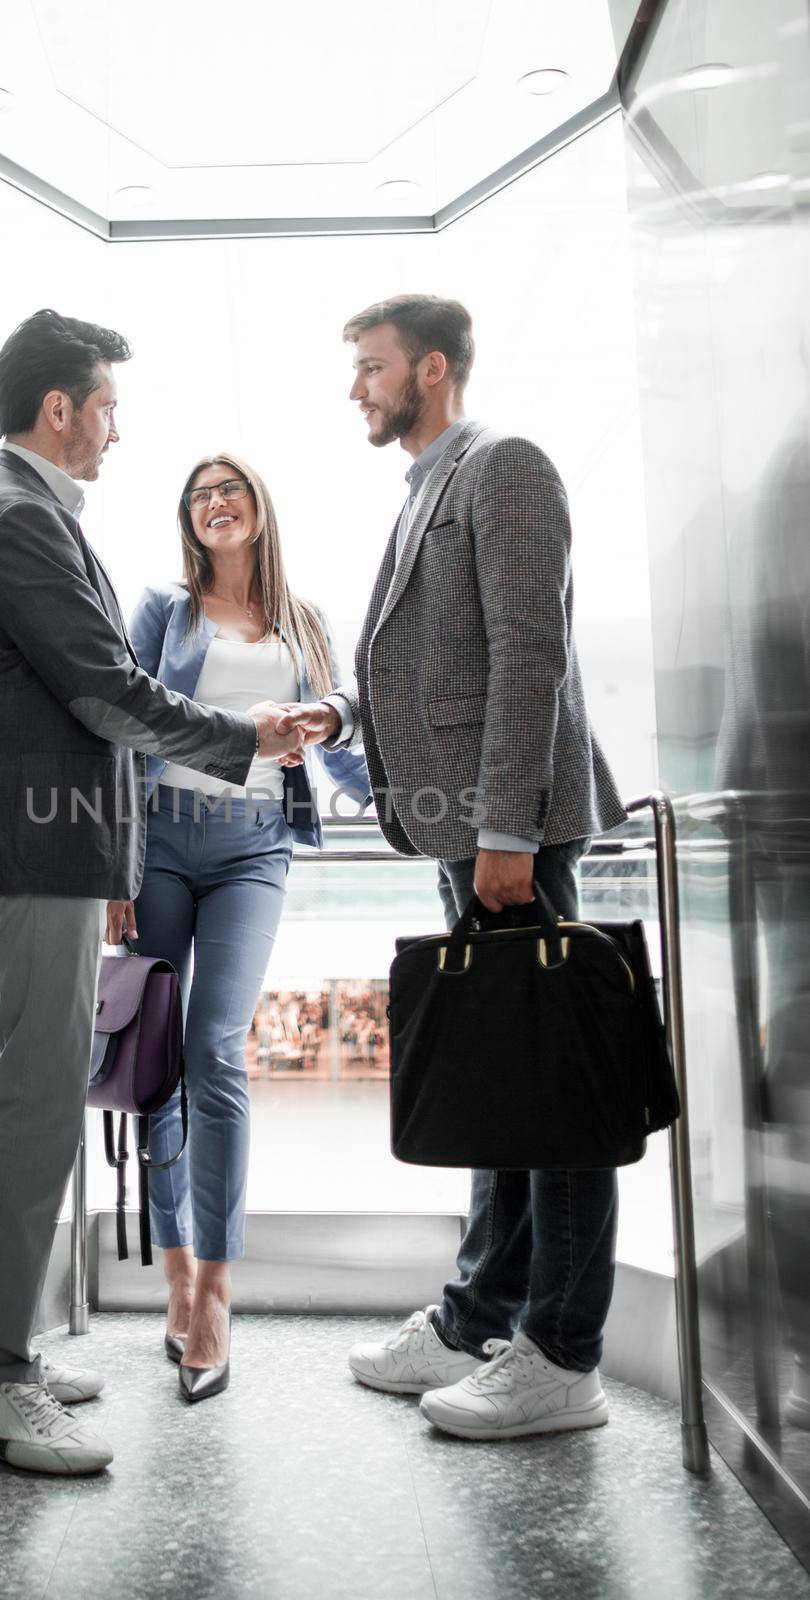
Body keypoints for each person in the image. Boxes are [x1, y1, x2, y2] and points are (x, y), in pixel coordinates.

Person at [0, 315, 303, 1475]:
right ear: (58, 409)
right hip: (41, 852)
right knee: (34, 1101)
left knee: (0, 1097)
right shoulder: (15, 516)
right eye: (105, 406)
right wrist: (246, 735)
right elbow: (103, 689)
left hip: (41, 850)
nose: (115, 428)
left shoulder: (22, 509)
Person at [287, 294, 627, 1441]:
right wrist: (338, 717)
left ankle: (563, 1355)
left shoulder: (505, 464)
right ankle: (480, 1315)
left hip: (508, 835)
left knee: (557, 1096)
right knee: (505, 1086)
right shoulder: (431, 481)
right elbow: (429, 666)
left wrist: (507, 833)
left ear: (431, 368)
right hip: (465, 831)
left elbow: (529, 652)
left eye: (371, 368)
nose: (357, 390)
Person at [106, 452, 369, 1402]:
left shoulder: (304, 622)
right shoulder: (162, 612)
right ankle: (174, 1276)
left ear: (260, 507)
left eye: (232, 489)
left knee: (216, 1047)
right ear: (190, 519)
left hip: (256, 845)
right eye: (199, 495)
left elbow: (347, 732)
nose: (216, 503)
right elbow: (122, 723)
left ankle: (216, 1294)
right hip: (160, 846)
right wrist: (114, 864)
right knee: (158, 1060)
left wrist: (332, 720)